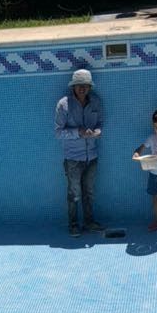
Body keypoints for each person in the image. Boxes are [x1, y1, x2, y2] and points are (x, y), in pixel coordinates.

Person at [54, 69, 104, 238]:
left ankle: (89, 222)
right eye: (79, 85)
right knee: (74, 193)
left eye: (85, 85)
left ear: (90, 87)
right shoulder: (64, 104)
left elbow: (100, 123)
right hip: (73, 159)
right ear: (73, 87)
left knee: (89, 192)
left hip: (92, 156)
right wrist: (78, 132)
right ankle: (73, 224)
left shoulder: (96, 102)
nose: (82, 88)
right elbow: (58, 132)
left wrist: (97, 131)